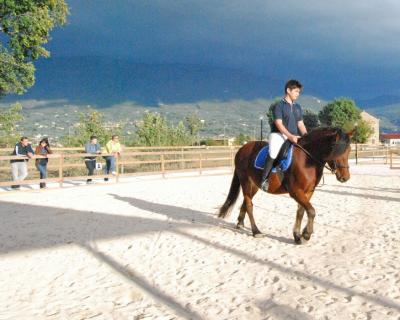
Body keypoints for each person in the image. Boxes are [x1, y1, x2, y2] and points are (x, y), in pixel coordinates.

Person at [261, 79, 308, 191]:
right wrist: (290, 136)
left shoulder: (298, 107)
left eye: (299, 92)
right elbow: (279, 124)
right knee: (273, 153)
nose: (298, 94)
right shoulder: (279, 106)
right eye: (296, 91)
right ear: (288, 90)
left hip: (294, 136)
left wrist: (306, 136)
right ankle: (264, 180)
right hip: (279, 135)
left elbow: (300, 124)